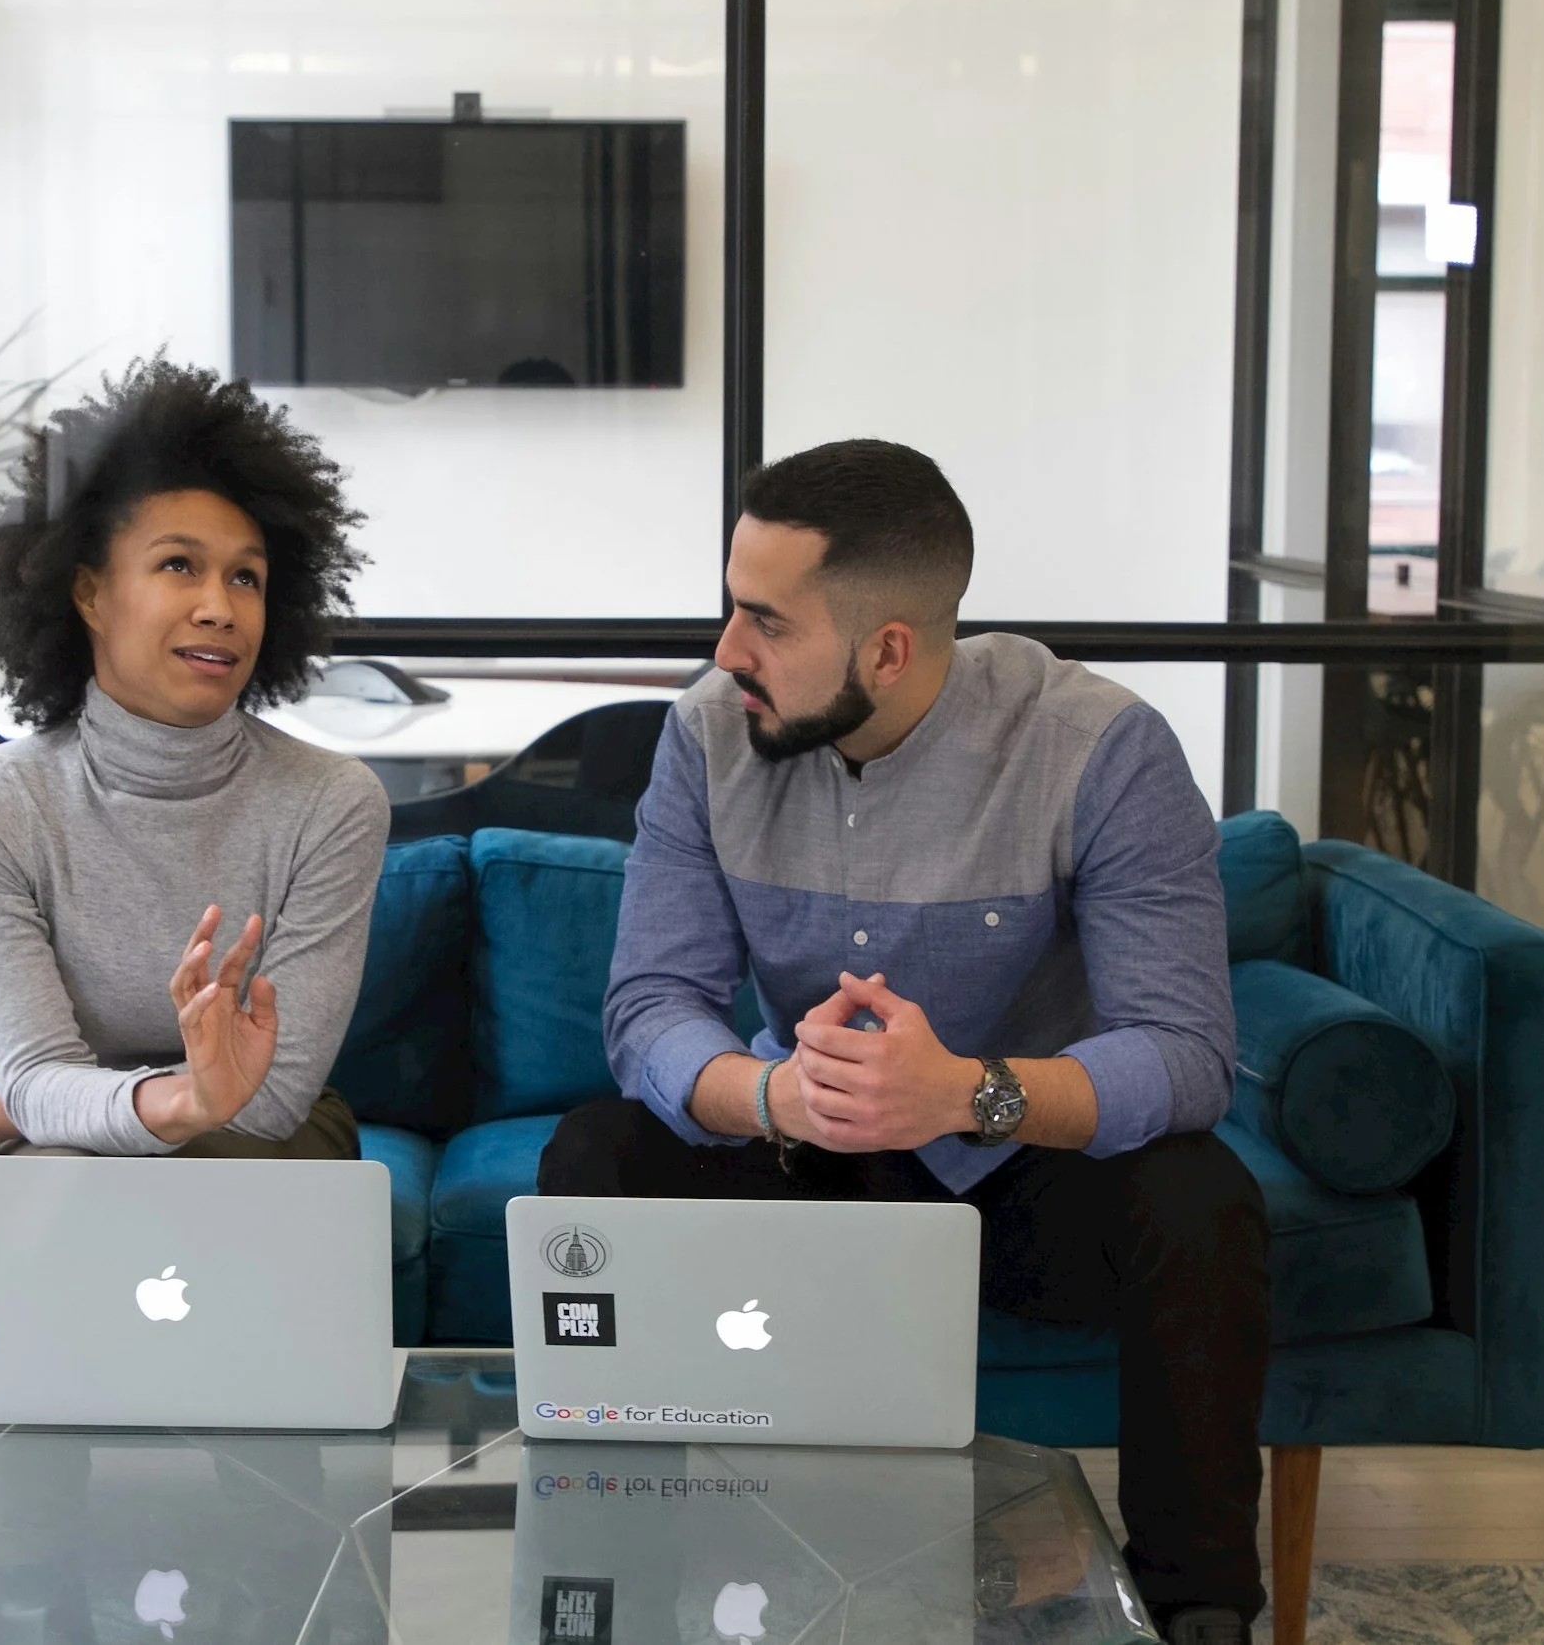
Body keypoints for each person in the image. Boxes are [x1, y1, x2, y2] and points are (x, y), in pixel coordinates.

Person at [537, 439, 1270, 1645]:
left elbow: (1185, 1052)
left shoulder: (1098, 748)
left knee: (1198, 1197)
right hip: (801, 1154)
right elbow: (648, 1009)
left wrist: (962, 1093)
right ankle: (612, 1582)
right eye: (730, 606)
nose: (727, 652)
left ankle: (1198, 1608)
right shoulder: (704, 737)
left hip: (1011, 1166)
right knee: (596, 1152)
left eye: (765, 622)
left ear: (888, 645)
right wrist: (777, 1095)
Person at [0, 355, 390, 1263]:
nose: (220, 607)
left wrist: (10, 1112)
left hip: (270, 1146)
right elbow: (38, 1074)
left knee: (59, 1178)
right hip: (77, 1141)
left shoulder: (332, 802)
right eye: (178, 565)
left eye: (246, 578)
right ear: (87, 591)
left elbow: (269, 1100)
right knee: (42, 1189)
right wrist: (142, 1098)